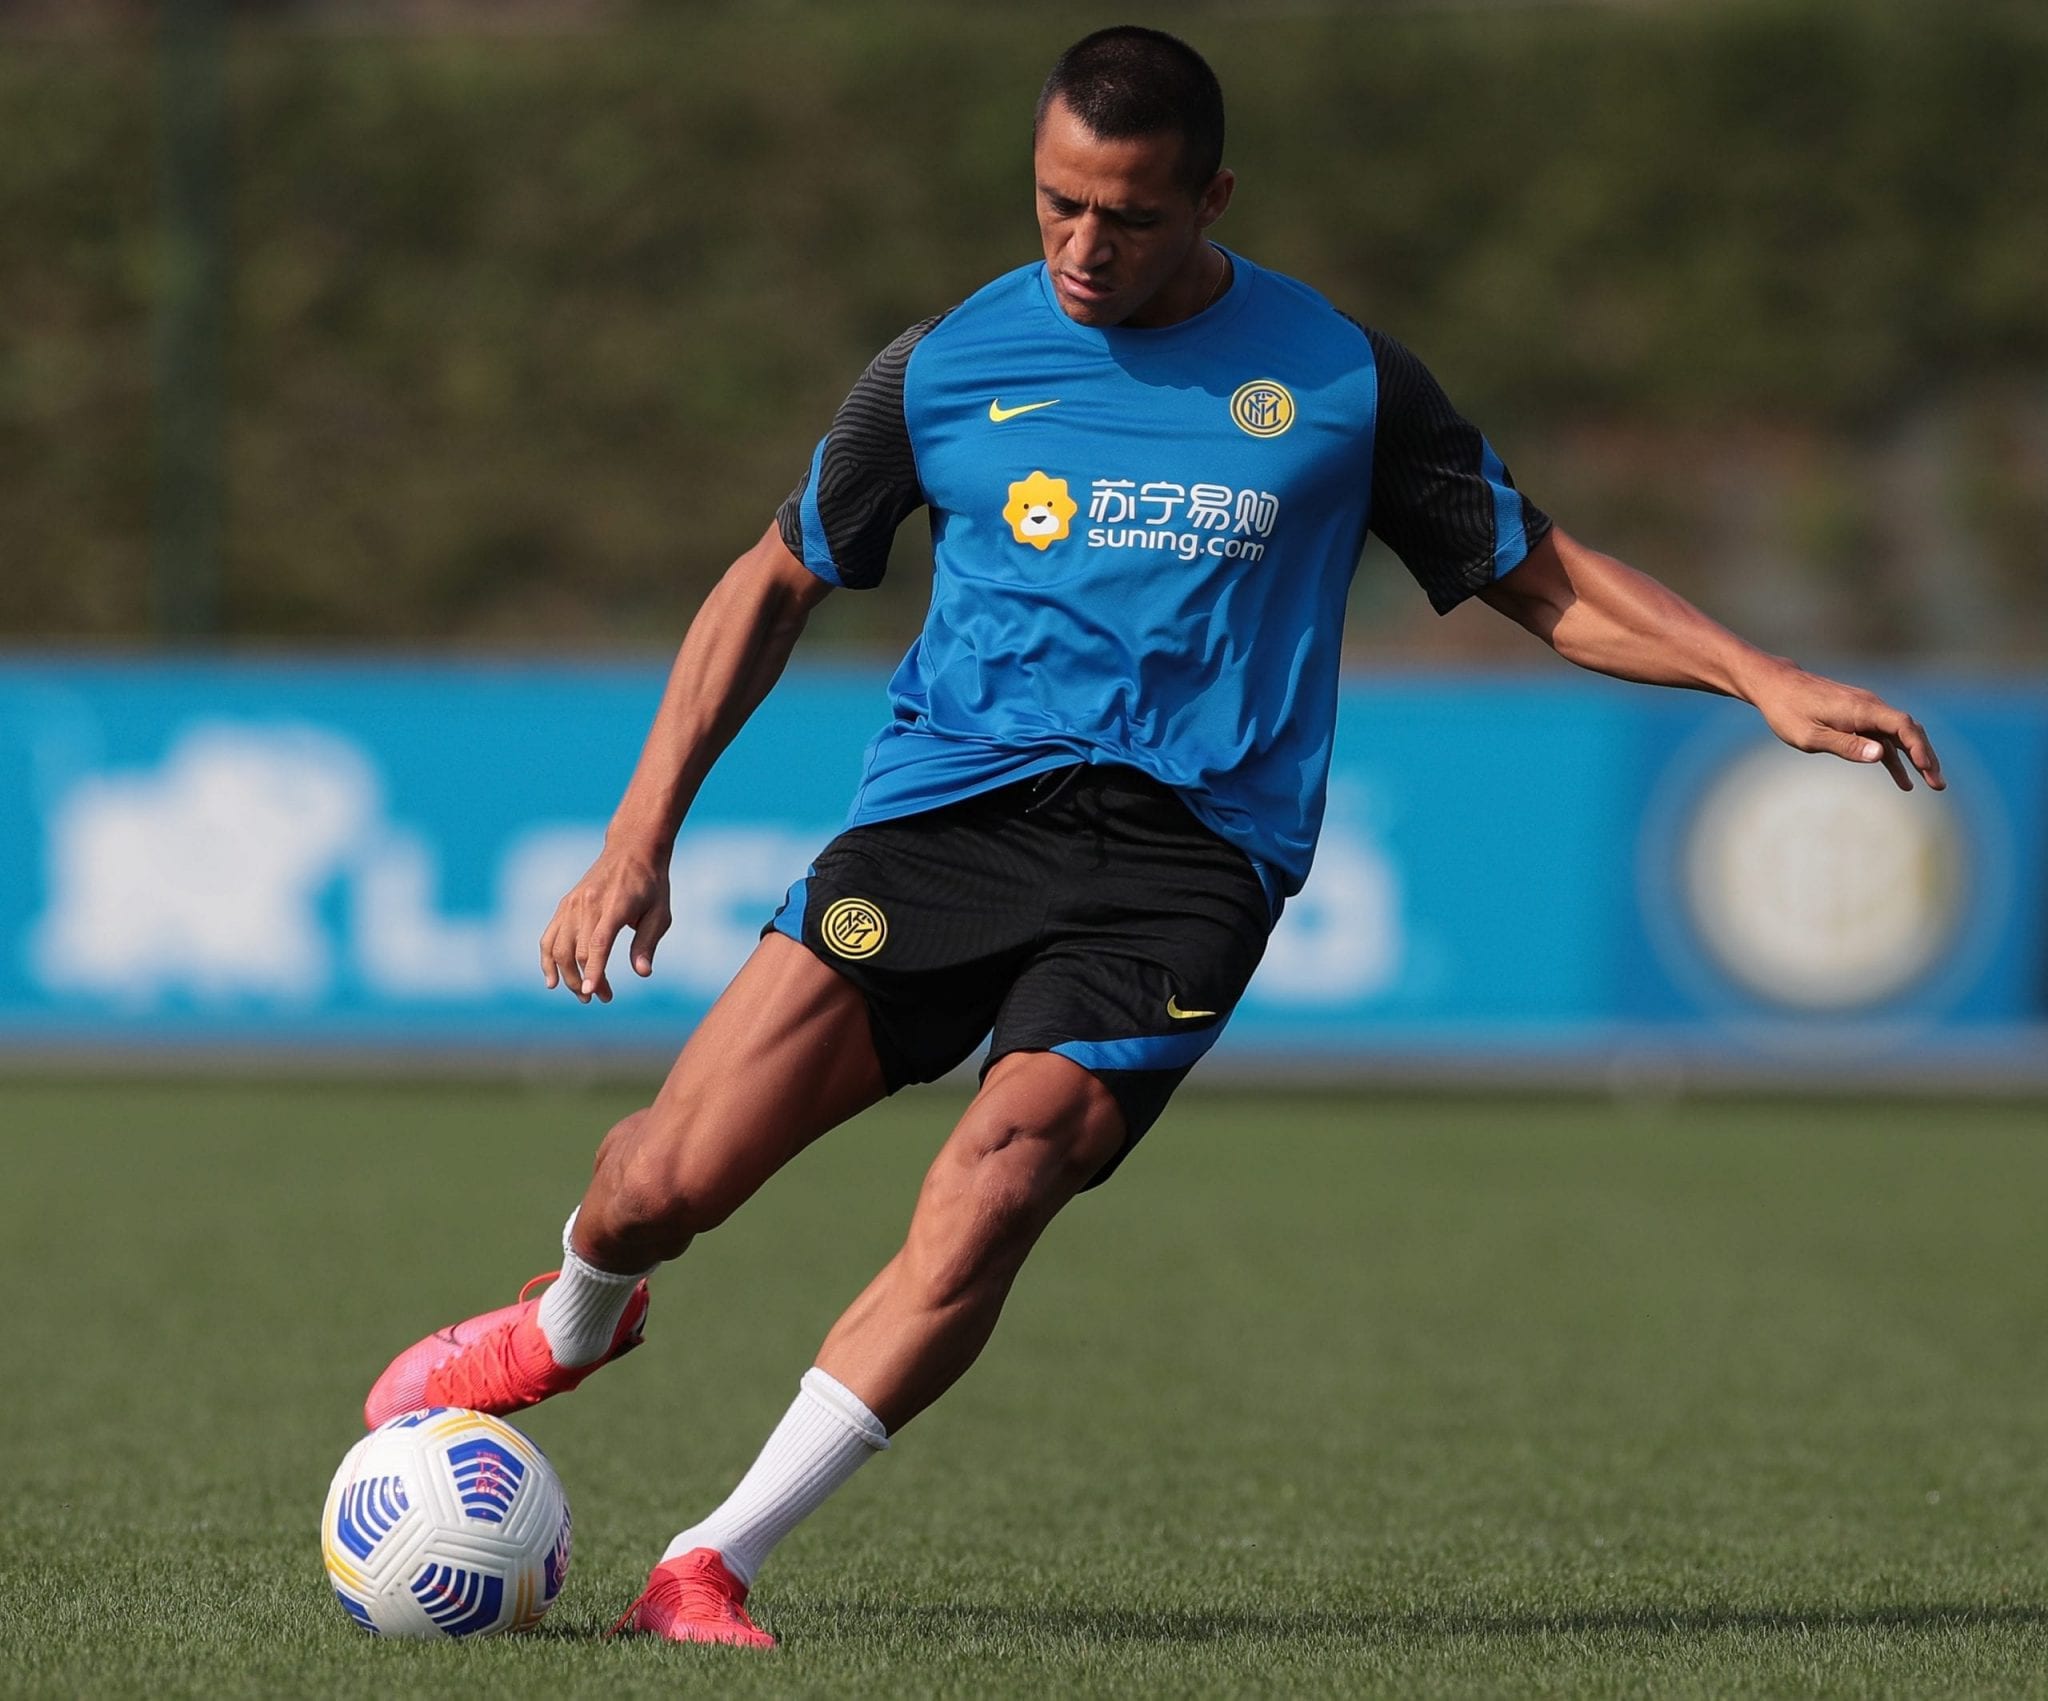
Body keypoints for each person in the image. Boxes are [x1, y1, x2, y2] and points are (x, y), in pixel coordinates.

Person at [362, 26, 1944, 1648]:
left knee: (999, 1177)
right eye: (1057, 203)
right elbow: (775, 576)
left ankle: (713, 1559)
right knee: (657, 1179)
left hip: (1187, 864)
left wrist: (1761, 675)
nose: (1083, 246)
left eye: (1127, 215)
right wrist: (641, 833)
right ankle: (572, 1319)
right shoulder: (945, 364)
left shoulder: (1340, 381)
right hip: (945, 823)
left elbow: (1539, 574)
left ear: (1212, 199)